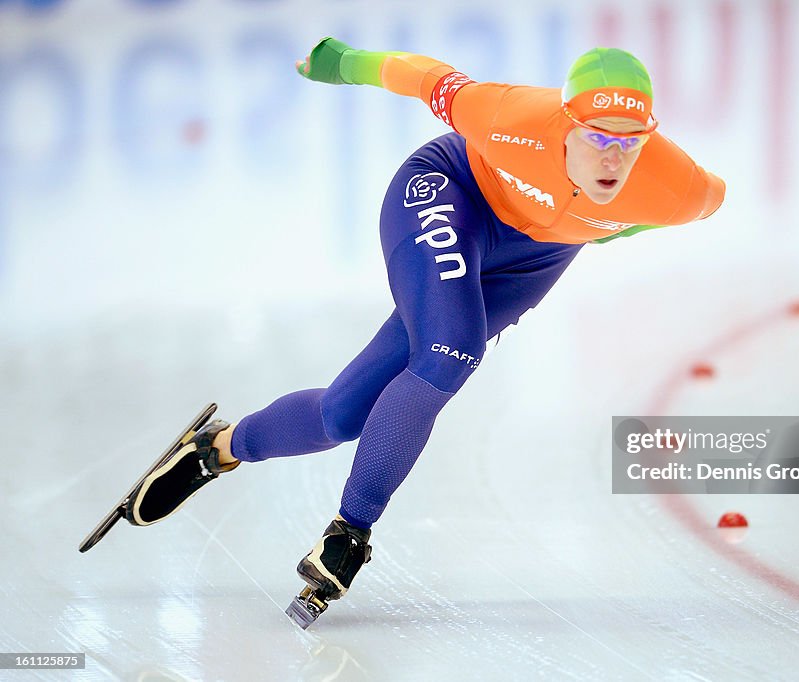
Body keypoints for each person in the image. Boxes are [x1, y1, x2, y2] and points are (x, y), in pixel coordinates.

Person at [125, 38, 725, 607]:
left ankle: (215, 450)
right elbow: (424, 77)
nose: (614, 157)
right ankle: (349, 532)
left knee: (341, 415)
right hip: (450, 192)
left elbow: (708, 199)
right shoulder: (512, 117)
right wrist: (343, 62)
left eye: (631, 142)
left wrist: (610, 225)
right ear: (567, 123)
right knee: (450, 351)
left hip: (531, 260)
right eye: (598, 137)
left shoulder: (679, 188)